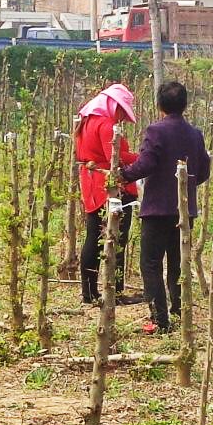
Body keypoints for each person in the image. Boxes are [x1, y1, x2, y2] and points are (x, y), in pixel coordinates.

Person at [123, 80, 211, 335]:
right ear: (184, 105)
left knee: (150, 263)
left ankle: (159, 318)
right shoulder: (195, 134)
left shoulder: (155, 130)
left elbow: (146, 164)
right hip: (183, 210)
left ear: (159, 104)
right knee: (177, 262)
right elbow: (203, 169)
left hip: (156, 210)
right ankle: (179, 311)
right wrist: (186, 188)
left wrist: (124, 174)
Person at [74, 82, 137, 306]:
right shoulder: (106, 124)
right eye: (121, 110)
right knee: (115, 239)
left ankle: (89, 292)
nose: (121, 117)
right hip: (111, 187)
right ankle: (115, 292)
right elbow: (116, 156)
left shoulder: (86, 121)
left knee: (94, 237)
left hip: (91, 184)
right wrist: (142, 158)